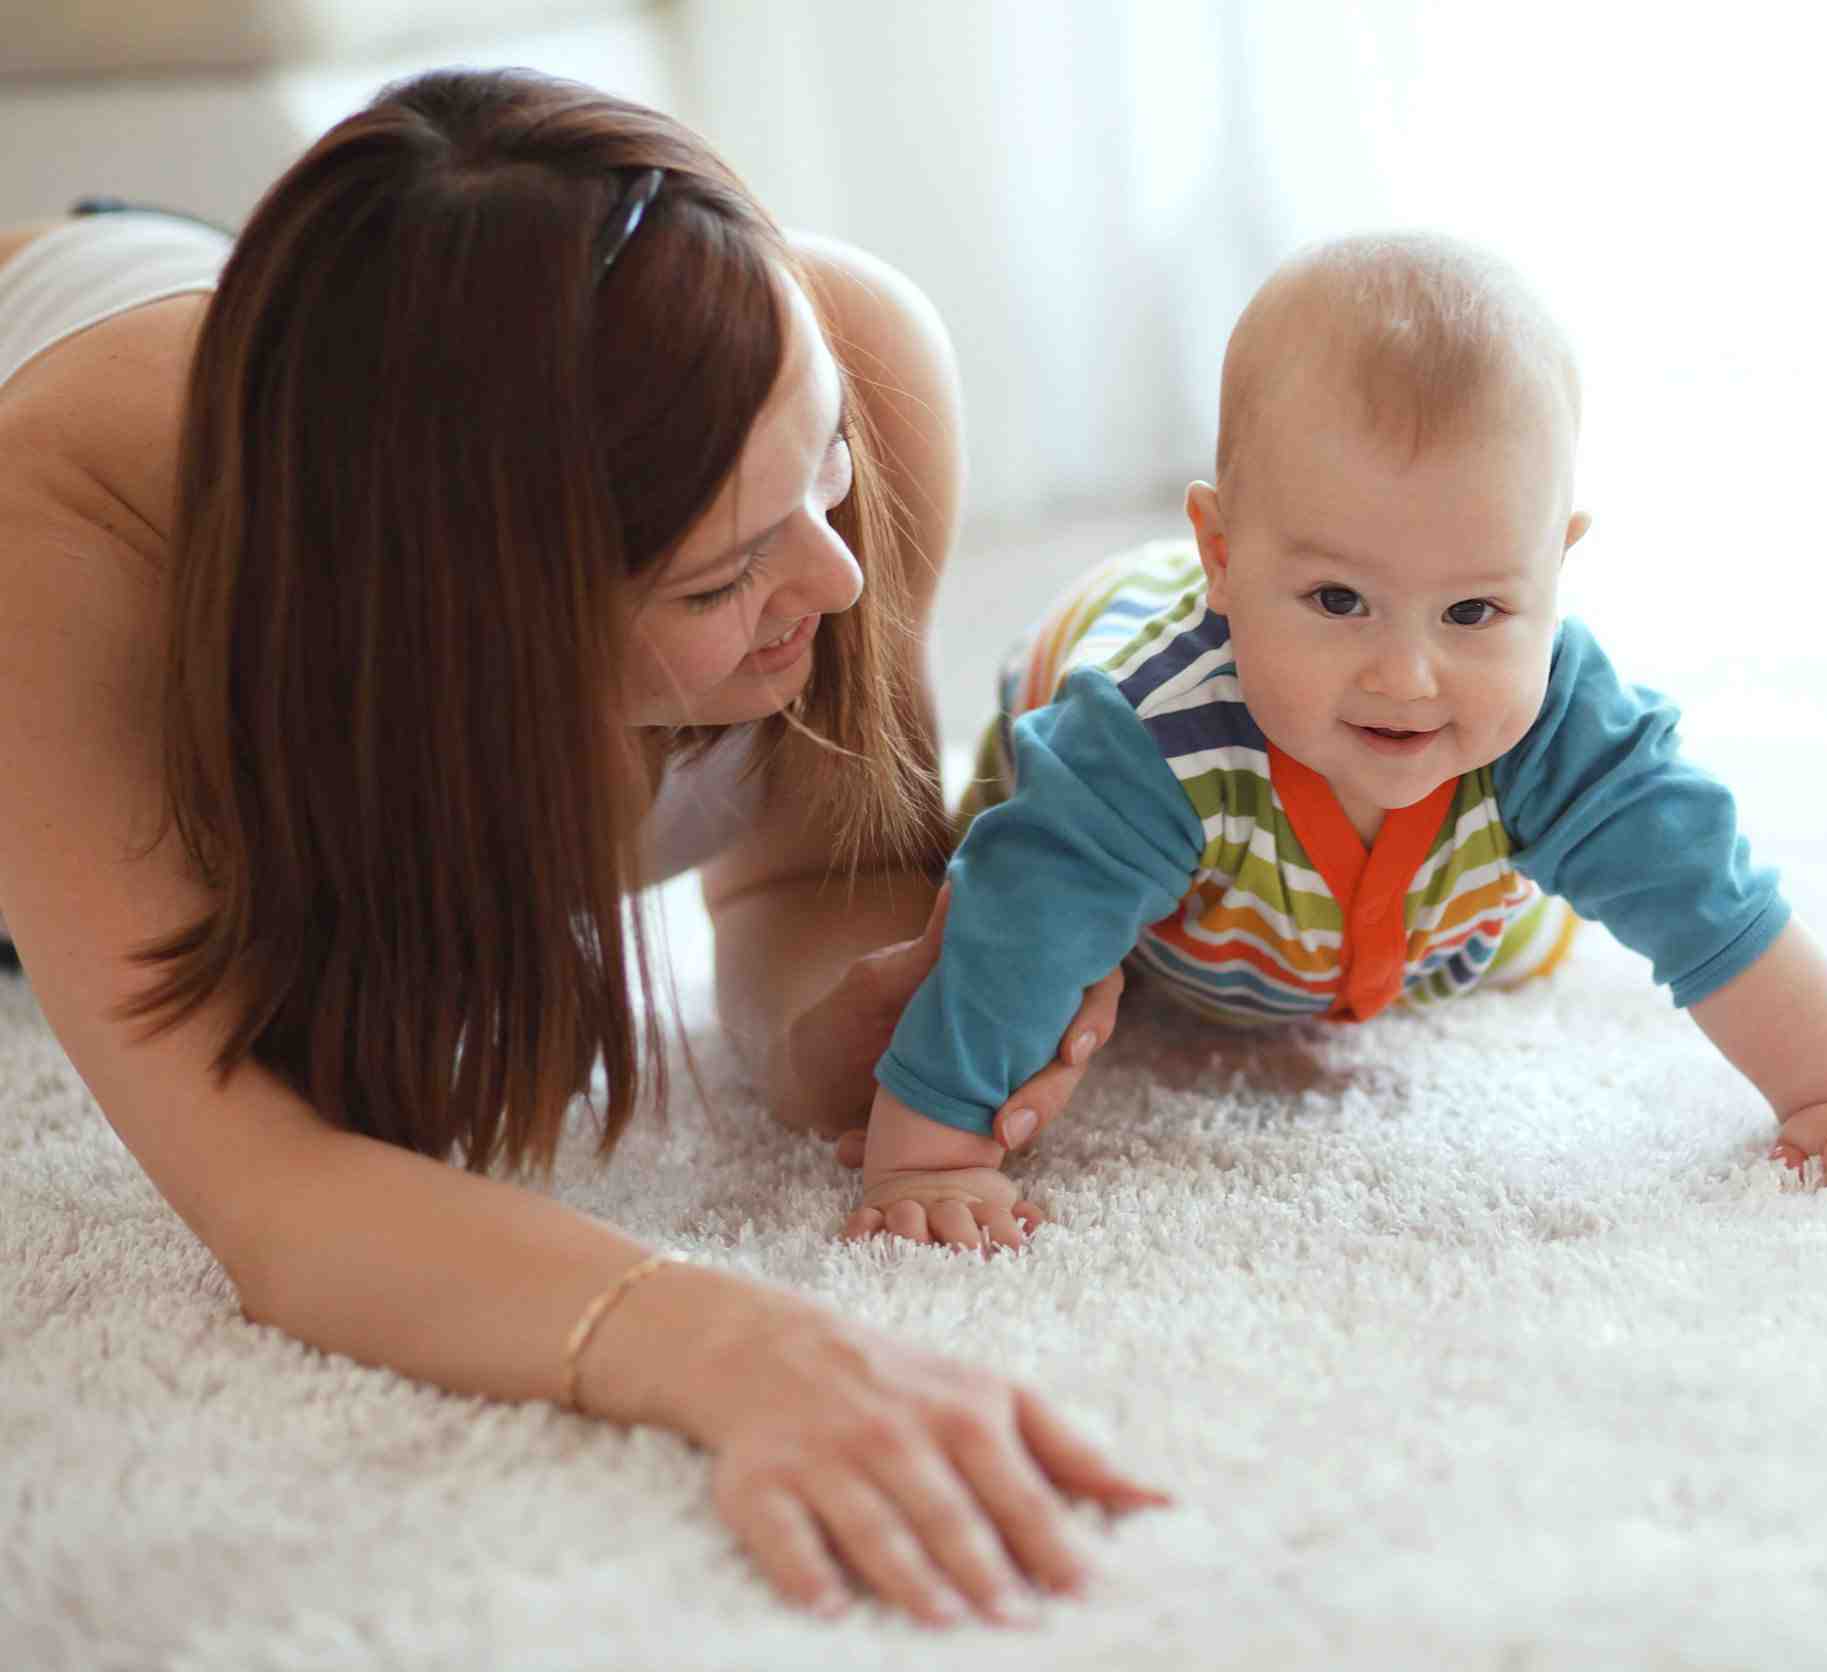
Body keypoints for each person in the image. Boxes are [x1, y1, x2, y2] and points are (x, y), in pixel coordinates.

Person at [0, 68, 1161, 1631]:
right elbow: (268, 1192)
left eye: (822, 468)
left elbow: (804, 871)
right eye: (719, 582)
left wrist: (844, 1033)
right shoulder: (72, 559)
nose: (834, 580)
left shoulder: (839, 356)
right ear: (463, 630)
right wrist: (734, 1349)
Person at [840, 232, 1827, 1249]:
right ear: (1222, 556)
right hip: (1117, 806)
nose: (1408, 677)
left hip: (1405, 917)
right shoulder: (1140, 742)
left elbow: (1713, 901)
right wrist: (930, 1157)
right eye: (1339, 600)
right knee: (995, 882)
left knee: (1522, 915)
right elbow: (1017, 931)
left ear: (1554, 567)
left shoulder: (1561, 722)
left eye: (1475, 610)